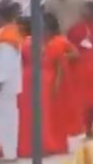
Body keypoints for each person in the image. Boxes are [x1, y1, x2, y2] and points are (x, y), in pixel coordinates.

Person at [0, 3, 23, 161]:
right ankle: (7, 152)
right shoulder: (4, 36)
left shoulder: (6, 39)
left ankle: (9, 154)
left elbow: (5, 64)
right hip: (2, 85)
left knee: (3, 118)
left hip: (1, 86)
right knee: (1, 117)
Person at [16, 15, 58, 157]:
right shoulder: (39, 43)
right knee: (40, 113)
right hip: (40, 77)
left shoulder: (27, 43)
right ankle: (41, 144)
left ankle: (30, 146)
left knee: (29, 114)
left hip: (29, 78)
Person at [45, 13, 85, 152]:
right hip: (46, 79)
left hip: (61, 80)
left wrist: (62, 57)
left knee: (59, 111)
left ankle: (60, 142)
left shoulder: (61, 40)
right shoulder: (41, 42)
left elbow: (76, 54)